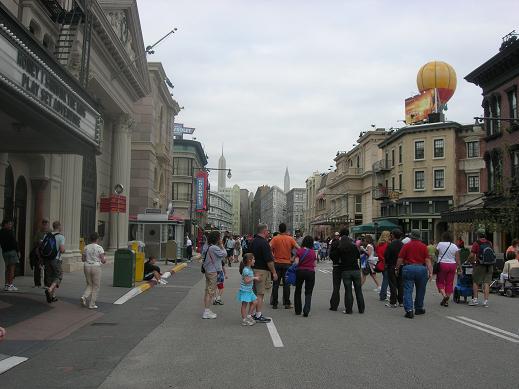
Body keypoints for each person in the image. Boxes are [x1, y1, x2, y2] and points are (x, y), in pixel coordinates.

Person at [396, 230, 432, 319]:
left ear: (411, 236)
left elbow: (400, 259)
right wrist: (430, 271)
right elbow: (427, 260)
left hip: (408, 268)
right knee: (421, 290)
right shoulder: (424, 247)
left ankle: (409, 311)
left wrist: (397, 268)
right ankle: (419, 308)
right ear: (420, 236)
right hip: (421, 269)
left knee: (408, 290)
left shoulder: (406, 246)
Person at [249, 224, 278, 323]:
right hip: (261, 271)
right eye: (267, 231)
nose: (268, 232)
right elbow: (269, 260)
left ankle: (251, 314)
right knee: (260, 294)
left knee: (253, 293)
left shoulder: (252, 241)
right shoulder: (264, 243)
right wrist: (274, 272)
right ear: (264, 231)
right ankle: (257, 314)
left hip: (252, 270)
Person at [334, 228, 364, 314]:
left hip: (345, 270)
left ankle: (349, 309)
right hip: (355, 269)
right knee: (358, 290)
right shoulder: (354, 246)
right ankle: (361, 309)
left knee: (348, 290)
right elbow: (358, 256)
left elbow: (337, 258)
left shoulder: (340, 247)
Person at [269, 222, 299, 309]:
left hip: (277, 263)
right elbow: (299, 249)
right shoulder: (290, 239)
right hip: (287, 263)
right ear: (286, 230)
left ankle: (275, 303)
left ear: (279, 229)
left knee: (276, 284)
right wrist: (293, 257)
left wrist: (272, 255)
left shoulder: (275, 239)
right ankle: (286, 303)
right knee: (286, 284)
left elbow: (268, 247)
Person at [202, 231, 227, 319]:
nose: (220, 239)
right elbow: (224, 254)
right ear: (216, 238)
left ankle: (207, 310)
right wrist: (222, 245)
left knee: (207, 291)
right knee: (210, 292)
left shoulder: (206, 246)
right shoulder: (214, 248)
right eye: (219, 238)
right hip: (213, 272)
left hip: (207, 271)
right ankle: (206, 312)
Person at [81, 232, 106, 309]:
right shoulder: (99, 248)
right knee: (96, 286)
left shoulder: (86, 247)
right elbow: (103, 261)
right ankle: (92, 304)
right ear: (97, 239)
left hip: (87, 266)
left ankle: (84, 296)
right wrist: (104, 259)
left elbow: (83, 259)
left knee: (89, 284)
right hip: (96, 267)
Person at [469, 229, 494, 307]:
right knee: (487, 283)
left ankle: (475, 300)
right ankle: (486, 301)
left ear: (478, 235)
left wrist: (469, 261)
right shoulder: (489, 243)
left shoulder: (476, 243)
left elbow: (472, 255)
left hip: (480, 265)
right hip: (489, 265)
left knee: (476, 282)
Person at [435, 231, 461, 307]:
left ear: (443, 237)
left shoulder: (440, 244)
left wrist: (439, 257)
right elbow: (457, 258)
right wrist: (460, 267)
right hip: (452, 265)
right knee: (449, 283)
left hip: (443, 264)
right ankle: (447, 300)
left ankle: (444, 296)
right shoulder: (454, 246)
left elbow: (436, 253)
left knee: (440, 281)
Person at [294, 235, 318, 317]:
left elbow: (296, 263)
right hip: (310, 272)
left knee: (298, 290)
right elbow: (315, 264)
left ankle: (298, 310)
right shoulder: (313, 252)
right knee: (308, 292)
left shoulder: (299, 251)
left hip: (300, 271)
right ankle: (306, 310)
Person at [44, 221, 65, 303]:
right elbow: (62, 250)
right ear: (59, 227)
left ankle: (52, 296)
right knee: (58, 276)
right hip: (56, 259)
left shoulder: (47, 235)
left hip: (47, 259)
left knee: (49, 277)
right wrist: (63, 250)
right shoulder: (61, 237)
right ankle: (50, 289)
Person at [237, 253, 260, 326]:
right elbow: (246, 281)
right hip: (245, 290)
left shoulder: (249, 269)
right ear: (249, 260)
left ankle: (249, 315)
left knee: (255, 301)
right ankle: (244, 319)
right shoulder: (246, 270)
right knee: (244, 305)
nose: (254, 261)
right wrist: (254, 278)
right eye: (253, 259)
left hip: (249, 290)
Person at [385, 229, 404, 308]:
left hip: (392, 265)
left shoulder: (390, 245)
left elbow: (386, 255)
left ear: (393, 235)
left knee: (393, 284)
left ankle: (393, 302)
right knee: (400, 284)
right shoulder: (403, 244)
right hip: (401, 266)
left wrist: (387, 263)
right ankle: (401, 301)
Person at [0, 219, 20, 291]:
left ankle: (6, 284)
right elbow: (14, 242)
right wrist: (18, 251)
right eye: (9, 224)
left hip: (4, 252)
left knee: (7, 268)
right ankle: (10, 285)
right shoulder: (10, 232)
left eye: (11, 224)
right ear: (5, 224)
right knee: (12, 269)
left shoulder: (1, 232)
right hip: (12, 252)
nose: (10, 225)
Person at [30, 218, 50, 288]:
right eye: (43, 224)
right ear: (42, 224)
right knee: (37, 267)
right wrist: (39, 241)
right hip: (38, 251)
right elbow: (34, 241)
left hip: (46, 252)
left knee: (47, 268)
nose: (44, 226)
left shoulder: (49, 232)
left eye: (46, 224)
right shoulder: (38, 232)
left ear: (48, 225)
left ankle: (46, 284)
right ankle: (37, 283)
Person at [328, 233, 343, 311]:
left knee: (336, 287)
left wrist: (335, 260)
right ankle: (349, 306)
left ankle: (334, 305)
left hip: (336, 266)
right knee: (348, 288)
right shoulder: (348, 243)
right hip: (345, 267)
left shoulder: (334, 244)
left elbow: (330, 254)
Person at [376, 231, 390, 301]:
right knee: (386, 280)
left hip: (381, 263)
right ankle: (382, 295)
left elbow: (378, 254)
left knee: (385, 279)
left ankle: (382, 294)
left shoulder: (378, 244)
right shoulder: (387, 244)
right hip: (386, 263)